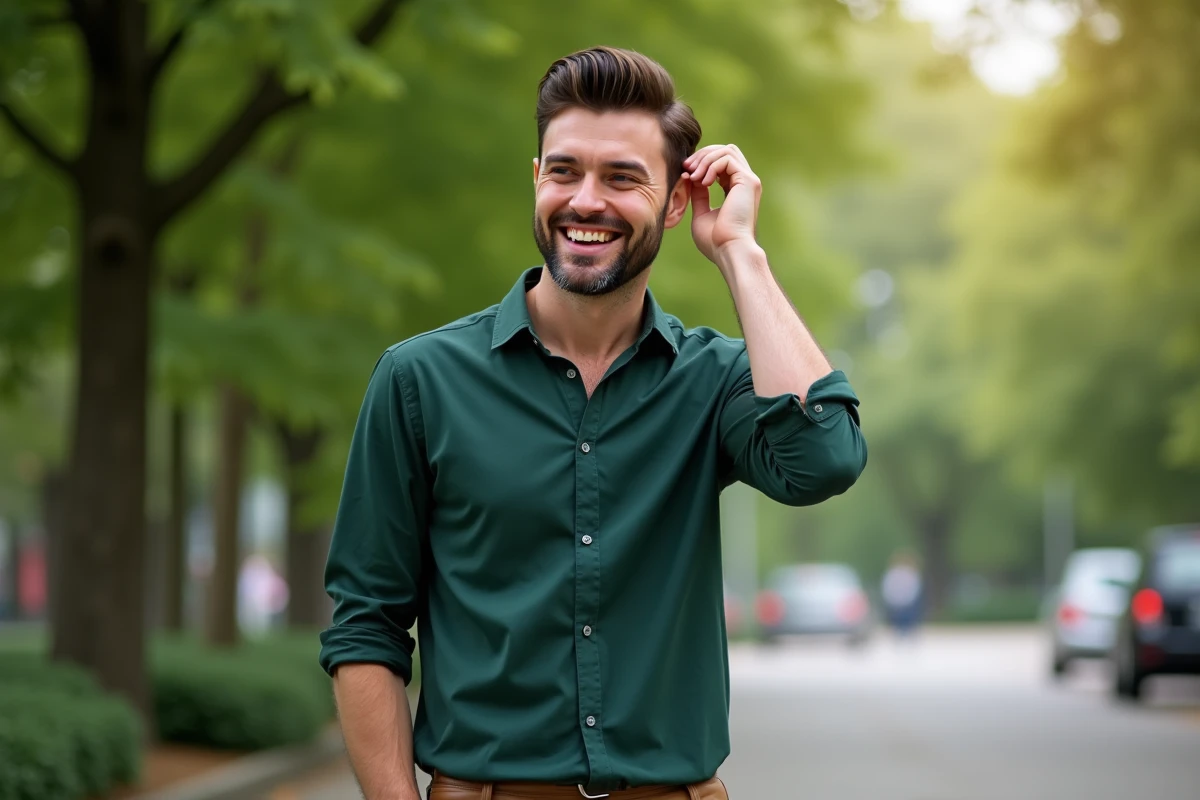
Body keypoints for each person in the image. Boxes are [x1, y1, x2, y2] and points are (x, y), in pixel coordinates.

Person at [319, 46, 868, 800]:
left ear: (676, 204)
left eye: (622, 178)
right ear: (535, 179)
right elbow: (366, 625)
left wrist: (741, 254)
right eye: (564, 170)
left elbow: (824, 459)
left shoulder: (715, 382)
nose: (585, 201)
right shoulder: (420, 380)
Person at [881, 553, 924, 639]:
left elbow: (914, 588)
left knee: (907, 623)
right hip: (898, 603)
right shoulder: (894, 574)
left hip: (906, 603)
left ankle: (907, 636)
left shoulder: (910, 574)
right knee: (898, 624)